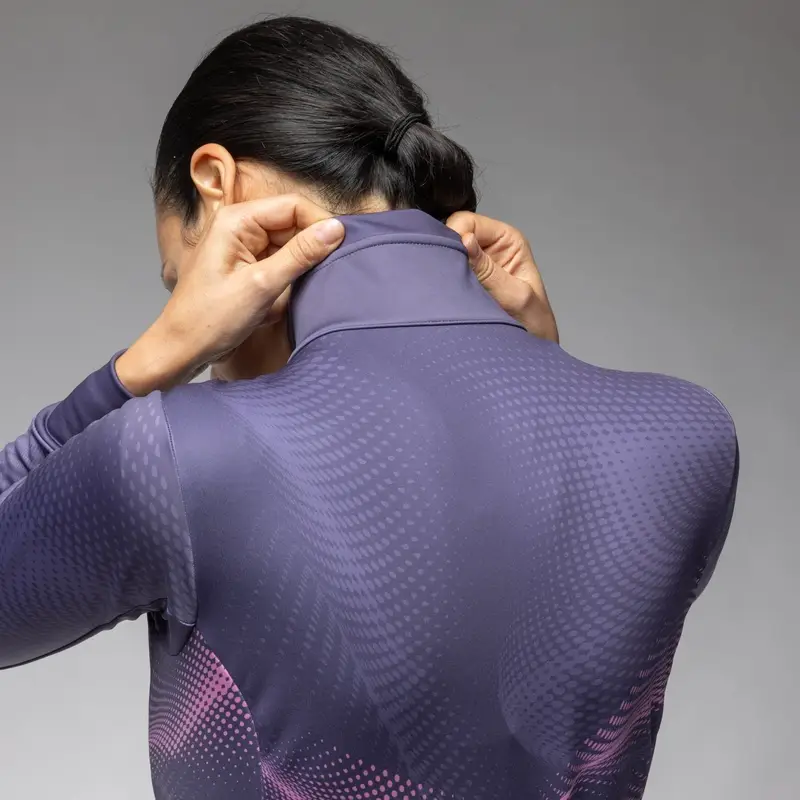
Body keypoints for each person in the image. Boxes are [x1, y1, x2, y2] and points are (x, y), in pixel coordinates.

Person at [0, 16, 737, 800]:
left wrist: (145, 365)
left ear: (216, 181)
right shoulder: (684, 439)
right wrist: (535, 367)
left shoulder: (177, 459)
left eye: (177, 278)